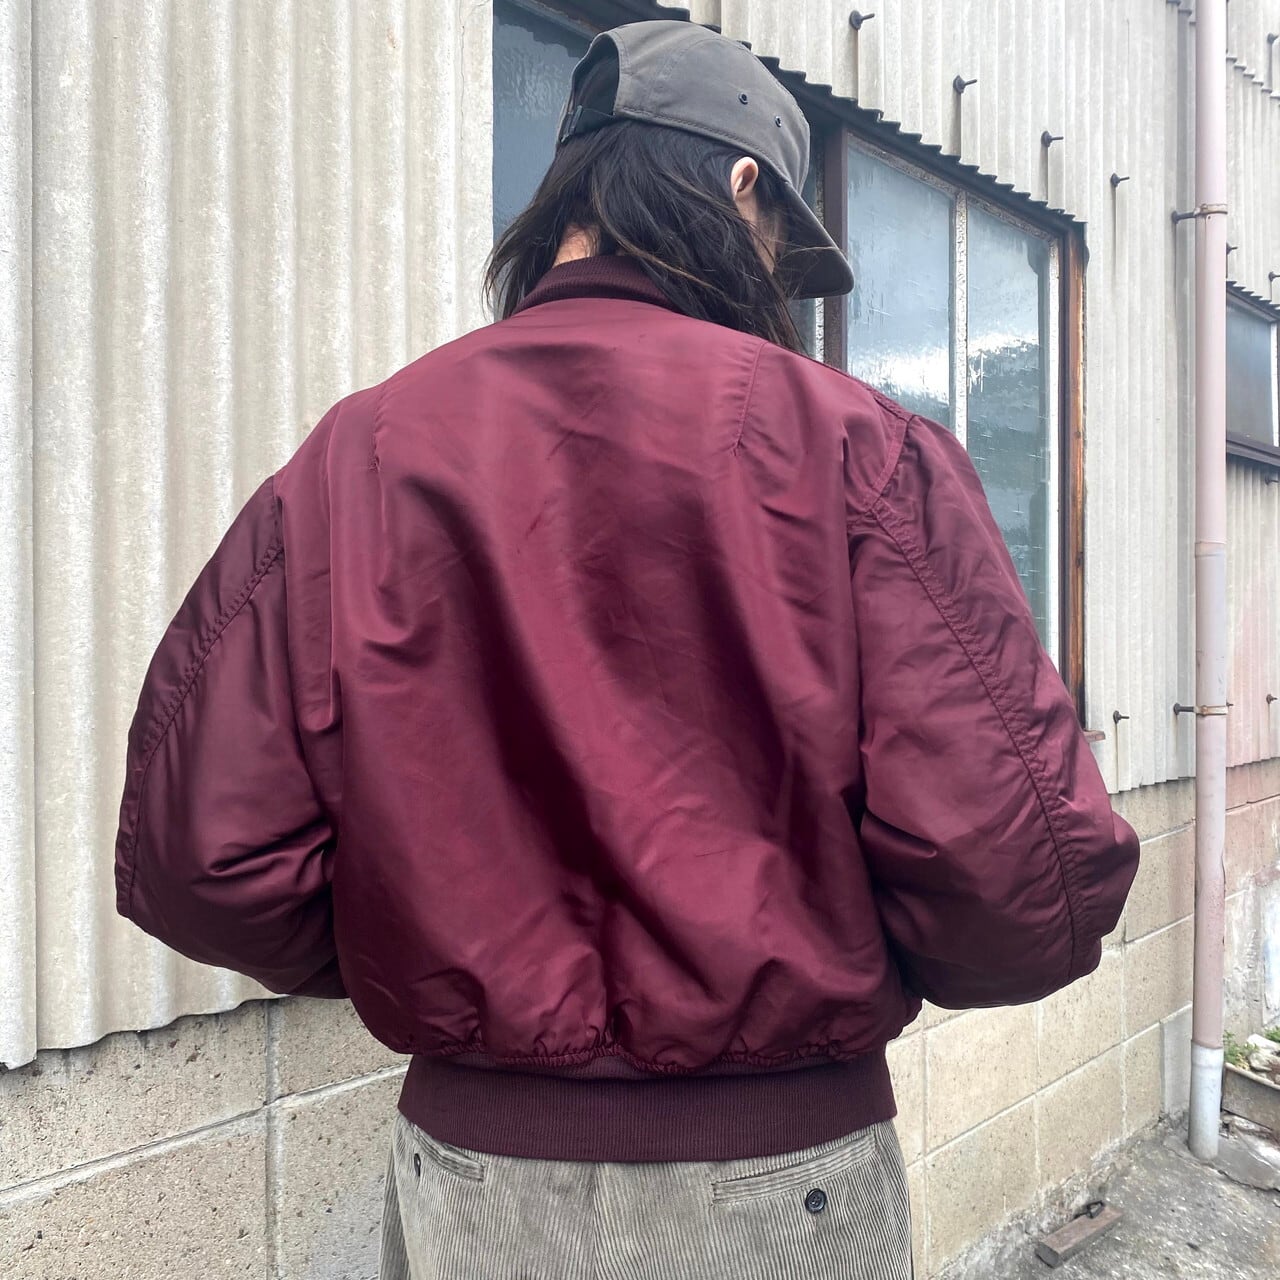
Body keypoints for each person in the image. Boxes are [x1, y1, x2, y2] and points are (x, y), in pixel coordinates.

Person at [114, 20, 1139, 1280]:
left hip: (470, 1176)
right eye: (778, 242)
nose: (774, 276)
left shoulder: (361, 452)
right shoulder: (856, 451)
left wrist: (436, 952)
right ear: (742, 186)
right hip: (775, 1183)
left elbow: (204, 857)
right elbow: (1016, 873)